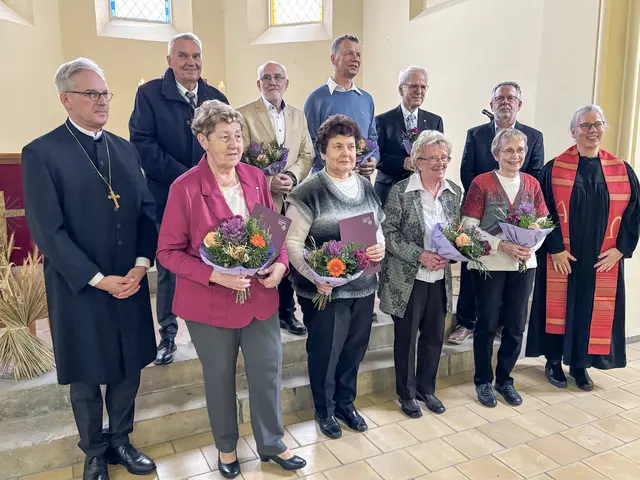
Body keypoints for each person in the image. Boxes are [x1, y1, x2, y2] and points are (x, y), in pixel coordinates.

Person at [22, 58, 157, 480]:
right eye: (91, 94)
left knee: (127, 365)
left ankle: (120, 439)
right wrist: (98, 279)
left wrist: (139, 265)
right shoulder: (41, 153)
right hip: (79, 285)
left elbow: (146, 212)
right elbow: (49, 231)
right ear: (66, 99)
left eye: (104, 93)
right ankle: (94, 450)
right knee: (85, 373)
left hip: (129, 281)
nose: (102, 102)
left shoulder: (124, 147)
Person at [156, 100, 305, 478]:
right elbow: (167, 253)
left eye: (238, 136)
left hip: (259, 299)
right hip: (209, 305)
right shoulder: (185, 188)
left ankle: (271, 443)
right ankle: (225, 448)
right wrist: (214, 276)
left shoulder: (256, 177)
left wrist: (281, 266)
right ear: (204, 140)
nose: (234, 144)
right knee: (219, 378)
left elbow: (272, 232)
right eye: (224, 137)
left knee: (266, 371)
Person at [129, 32, 229, 366]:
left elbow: (225, 142)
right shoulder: (149, 95)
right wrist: (189, 179)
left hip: (211, 197)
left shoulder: (216, 96)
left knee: (213, 258)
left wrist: (207, 180)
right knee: (172, 265)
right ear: (169, 60)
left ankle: (213, 322)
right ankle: (168, 334)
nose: (191, 62)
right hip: (167, 195)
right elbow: (143, 145)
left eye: (196, 56)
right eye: (183, 56)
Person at [526, 105, 640, 391]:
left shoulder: (622, 170)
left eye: (598, 124)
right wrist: (554, 248)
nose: (592, 131)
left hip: (602, 258)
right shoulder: (553, 169)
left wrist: (621, 250)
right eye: (586, 125)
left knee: (590, 309)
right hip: (563, 255)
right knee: (558, 308)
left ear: (604, 128)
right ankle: (553, 361)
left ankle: (581, 365)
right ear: (573, 131)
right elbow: (542, 212)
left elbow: (634, 214)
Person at [285, 115, 386, 439]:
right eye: (337, 147)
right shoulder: (309, 191)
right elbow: (292, 242)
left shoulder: (365, 187)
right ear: (323, 152)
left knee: (354, 349)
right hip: (324, 290)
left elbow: (377, 230)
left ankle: (346, 403)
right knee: (325, 351)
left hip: (362, 286)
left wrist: (380, 248)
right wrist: (314, 275)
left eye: (351, 147)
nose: (346, 153)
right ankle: (324, 409)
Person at [449, 81, 545, 345]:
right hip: (482, 213)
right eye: (499, 98)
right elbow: (467, 172)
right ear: (491, 104)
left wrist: (517, 217)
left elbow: (535, 174)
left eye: (510, 98)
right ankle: (466, 322)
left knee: (511, 278)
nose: (505, 102)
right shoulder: (476, 134)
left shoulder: (533, 137)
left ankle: (502, 324)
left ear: (519, 104)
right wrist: (487, 202)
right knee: (473, 270)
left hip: (520, 214)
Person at [461, 129, 549, 408]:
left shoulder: (533, 183)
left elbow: (544, 222)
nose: (515, 156)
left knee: (514, 325)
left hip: (524, 264)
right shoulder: (481, 183)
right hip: (490, 264)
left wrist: (530, 246)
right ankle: (483, 381)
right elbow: (467, 228)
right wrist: (501, 246)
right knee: (486, 324)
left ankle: (505, 379)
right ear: (496, 153)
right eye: (509, 150)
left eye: (520, 150)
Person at [380, 130, 462, 418]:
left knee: (434, 336)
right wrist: (420, 254)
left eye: (444, 158)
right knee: (406, 339)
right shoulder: (401, 192)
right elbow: (387, 234)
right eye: (432, 159)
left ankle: (427, 389)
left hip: (440, 277)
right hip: (408, 279)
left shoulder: (454, 192)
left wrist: (455, 252)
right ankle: (406, 393)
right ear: (417, 162)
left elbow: (458, 232)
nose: (440, 164)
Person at [237, 61, 313, 336]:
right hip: (261, 198)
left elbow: (307, 154)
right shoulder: (243, 114)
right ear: (258, 84)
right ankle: (262, 314)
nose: (272, 82)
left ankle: (287, 313)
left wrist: (291, 177)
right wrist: (269, 181)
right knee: (264, 255)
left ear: (286, 83)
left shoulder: (298, 115)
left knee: (290, 255)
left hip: (293, 199)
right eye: (266, 78)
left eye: (278, 77)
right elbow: (240, 157)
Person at [303, 34, 377, 179]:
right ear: (333, 59)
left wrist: (374, 160)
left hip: (360, 182)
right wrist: (341, 165)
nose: (355, 59)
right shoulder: (316, 99)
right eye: (349, 53)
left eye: (358, 54)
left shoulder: (367, 99)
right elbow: (309, 144)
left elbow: (373, 138)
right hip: (326, 183)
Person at [375, 66, 444, 206]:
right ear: (401, 89)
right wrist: (403, 162)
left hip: (423, 193)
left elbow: (440, 157)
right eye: (413, 86)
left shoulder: (435, 121)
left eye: (423, 87)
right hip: (389, 190)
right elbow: (376, 157)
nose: (419, 91)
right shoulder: (382, 121)